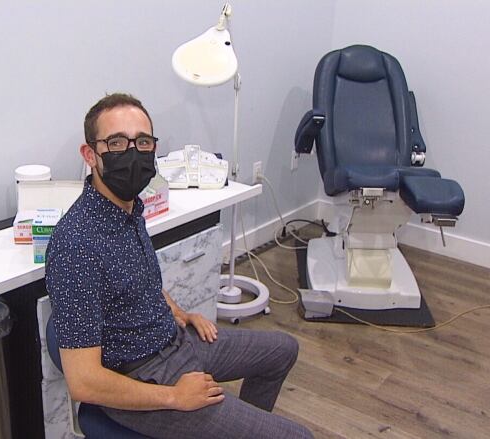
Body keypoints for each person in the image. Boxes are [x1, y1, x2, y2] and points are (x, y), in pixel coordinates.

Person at [45, 93, 313, 439]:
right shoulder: (77, 245)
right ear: (90, 155)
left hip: (174, 340)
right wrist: (174, 397)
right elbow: (83, 382)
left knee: (282, 350)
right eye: (117, 142)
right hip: (143, 375)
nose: (133, 153)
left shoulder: (128, 208)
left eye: (142, 142)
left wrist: (181, 313)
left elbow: (139, 283)